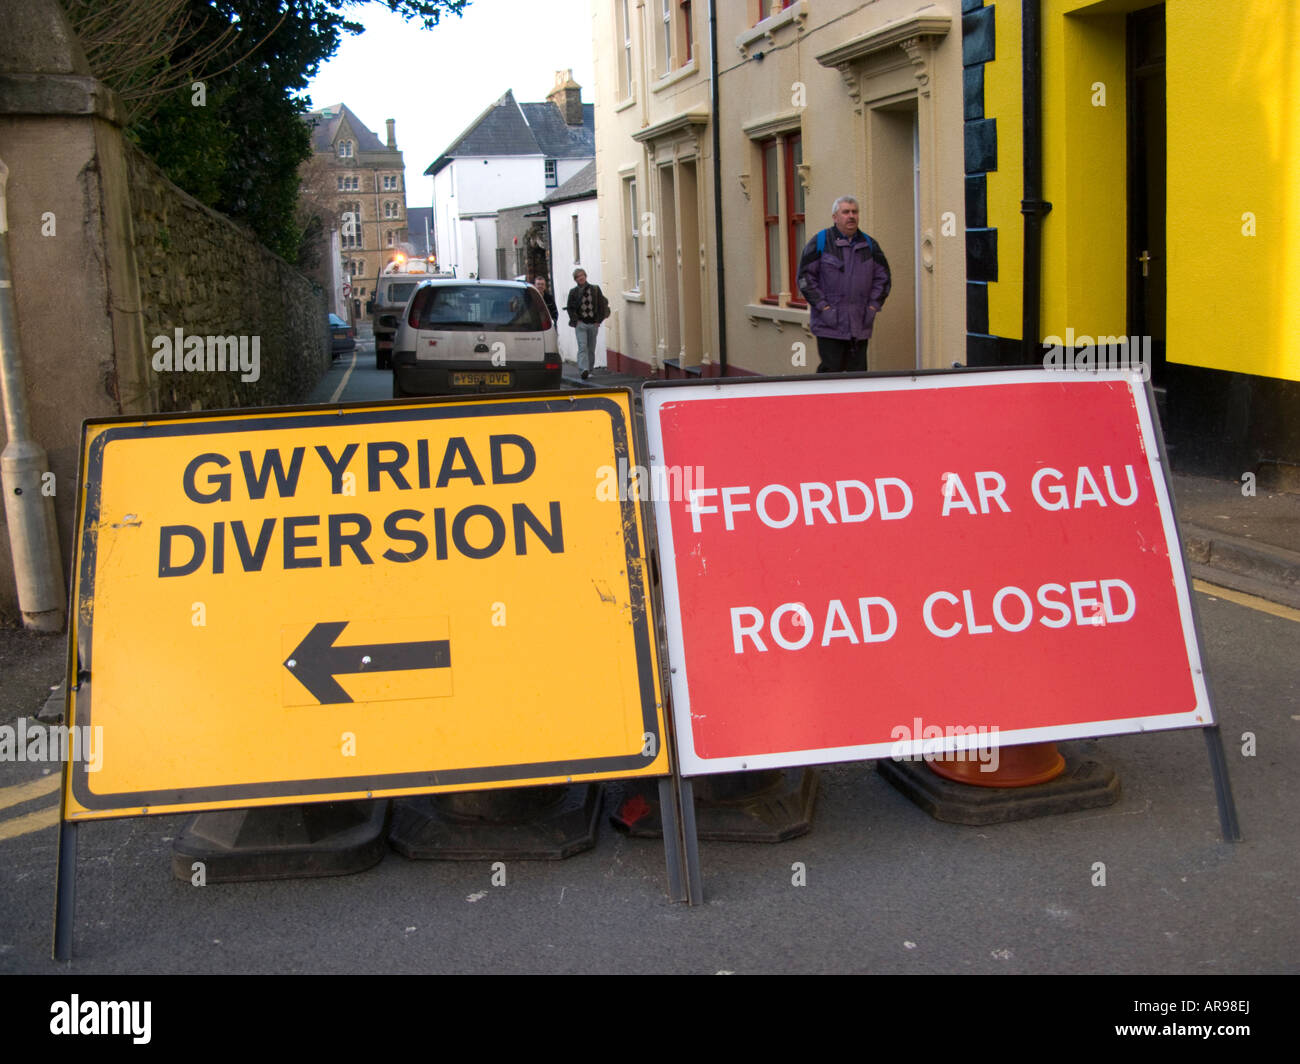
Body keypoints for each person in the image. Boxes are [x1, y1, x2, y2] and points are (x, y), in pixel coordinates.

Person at [796, 195, 891, 373]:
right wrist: (824, 308)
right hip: (829, 325)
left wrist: (872, 307)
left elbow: (883, 279)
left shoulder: (869, 245)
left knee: (858, 376)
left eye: (855, 212)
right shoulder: (820, 242)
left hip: (860, 324)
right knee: (831, 374)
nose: (851, 216)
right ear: (835, 217)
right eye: (846, 212)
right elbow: (805, 279)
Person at [565, 267, 610, 379]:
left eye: (582, 275)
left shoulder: (595, 289)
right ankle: (583, 369)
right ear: (575, 279)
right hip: (581, 324)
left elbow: (601, 305)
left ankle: (589, 370)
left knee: (591, 348)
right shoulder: (573, 292)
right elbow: (570, 308)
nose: (580, 278)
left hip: (593, 323)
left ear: (585, 276)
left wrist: (598, 321)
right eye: (578, 277)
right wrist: (576, 320)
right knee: (582, 346)